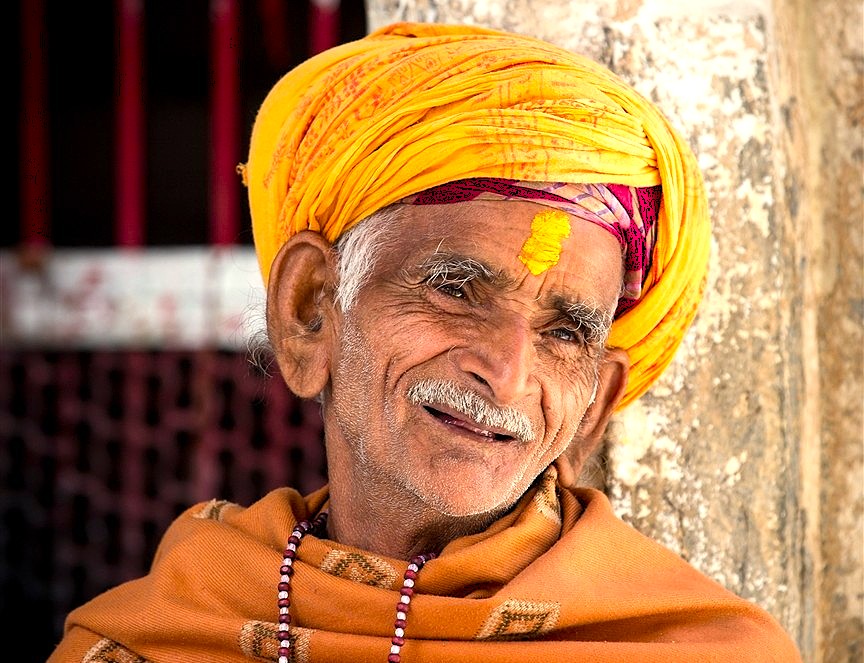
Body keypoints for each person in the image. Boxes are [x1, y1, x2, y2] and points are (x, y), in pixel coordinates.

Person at [47, 21, 802, 663]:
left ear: (595, 401)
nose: (505, 374)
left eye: (565, 332)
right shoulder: (157, 634)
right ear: (311, 309)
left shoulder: (693, 647)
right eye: (455, 288)